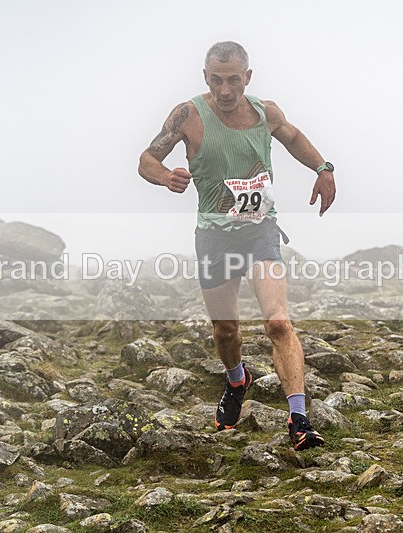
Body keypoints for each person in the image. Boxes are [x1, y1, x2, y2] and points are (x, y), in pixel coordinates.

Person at [138, 41, 336, 450]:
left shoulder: (266, 112)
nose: (225, 90)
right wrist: (165, 177)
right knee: (226, 330)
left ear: (248, 77)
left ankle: (299, 419)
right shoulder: (188, 115)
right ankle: (236, 380)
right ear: (205, 77)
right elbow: (146, 159)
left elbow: (293, 137)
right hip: (214, 236)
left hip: (260, 231)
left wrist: (323, 168)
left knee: (278, 322)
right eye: (216, 80)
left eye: (233, 80)